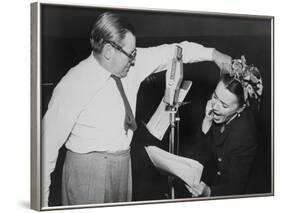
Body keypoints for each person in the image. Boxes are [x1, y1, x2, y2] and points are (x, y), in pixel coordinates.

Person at [42, 11, 232, 206]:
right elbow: (45, 148)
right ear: (108, 51)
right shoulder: (73, 83)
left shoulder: (131, 64)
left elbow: (175, 51)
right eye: (130, 54)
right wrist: (43, 204)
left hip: (123, 165)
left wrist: (213, 54)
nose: (134, 59)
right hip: (87, 172)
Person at [185, 56, 263, 197]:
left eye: (224, 105)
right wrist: (206, 122)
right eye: (215, 97)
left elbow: (236, 187)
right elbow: (200, 159)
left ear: (240, 109)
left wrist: (208, 192)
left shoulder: (245, 134)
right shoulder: (216, 114)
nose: (215, 106)